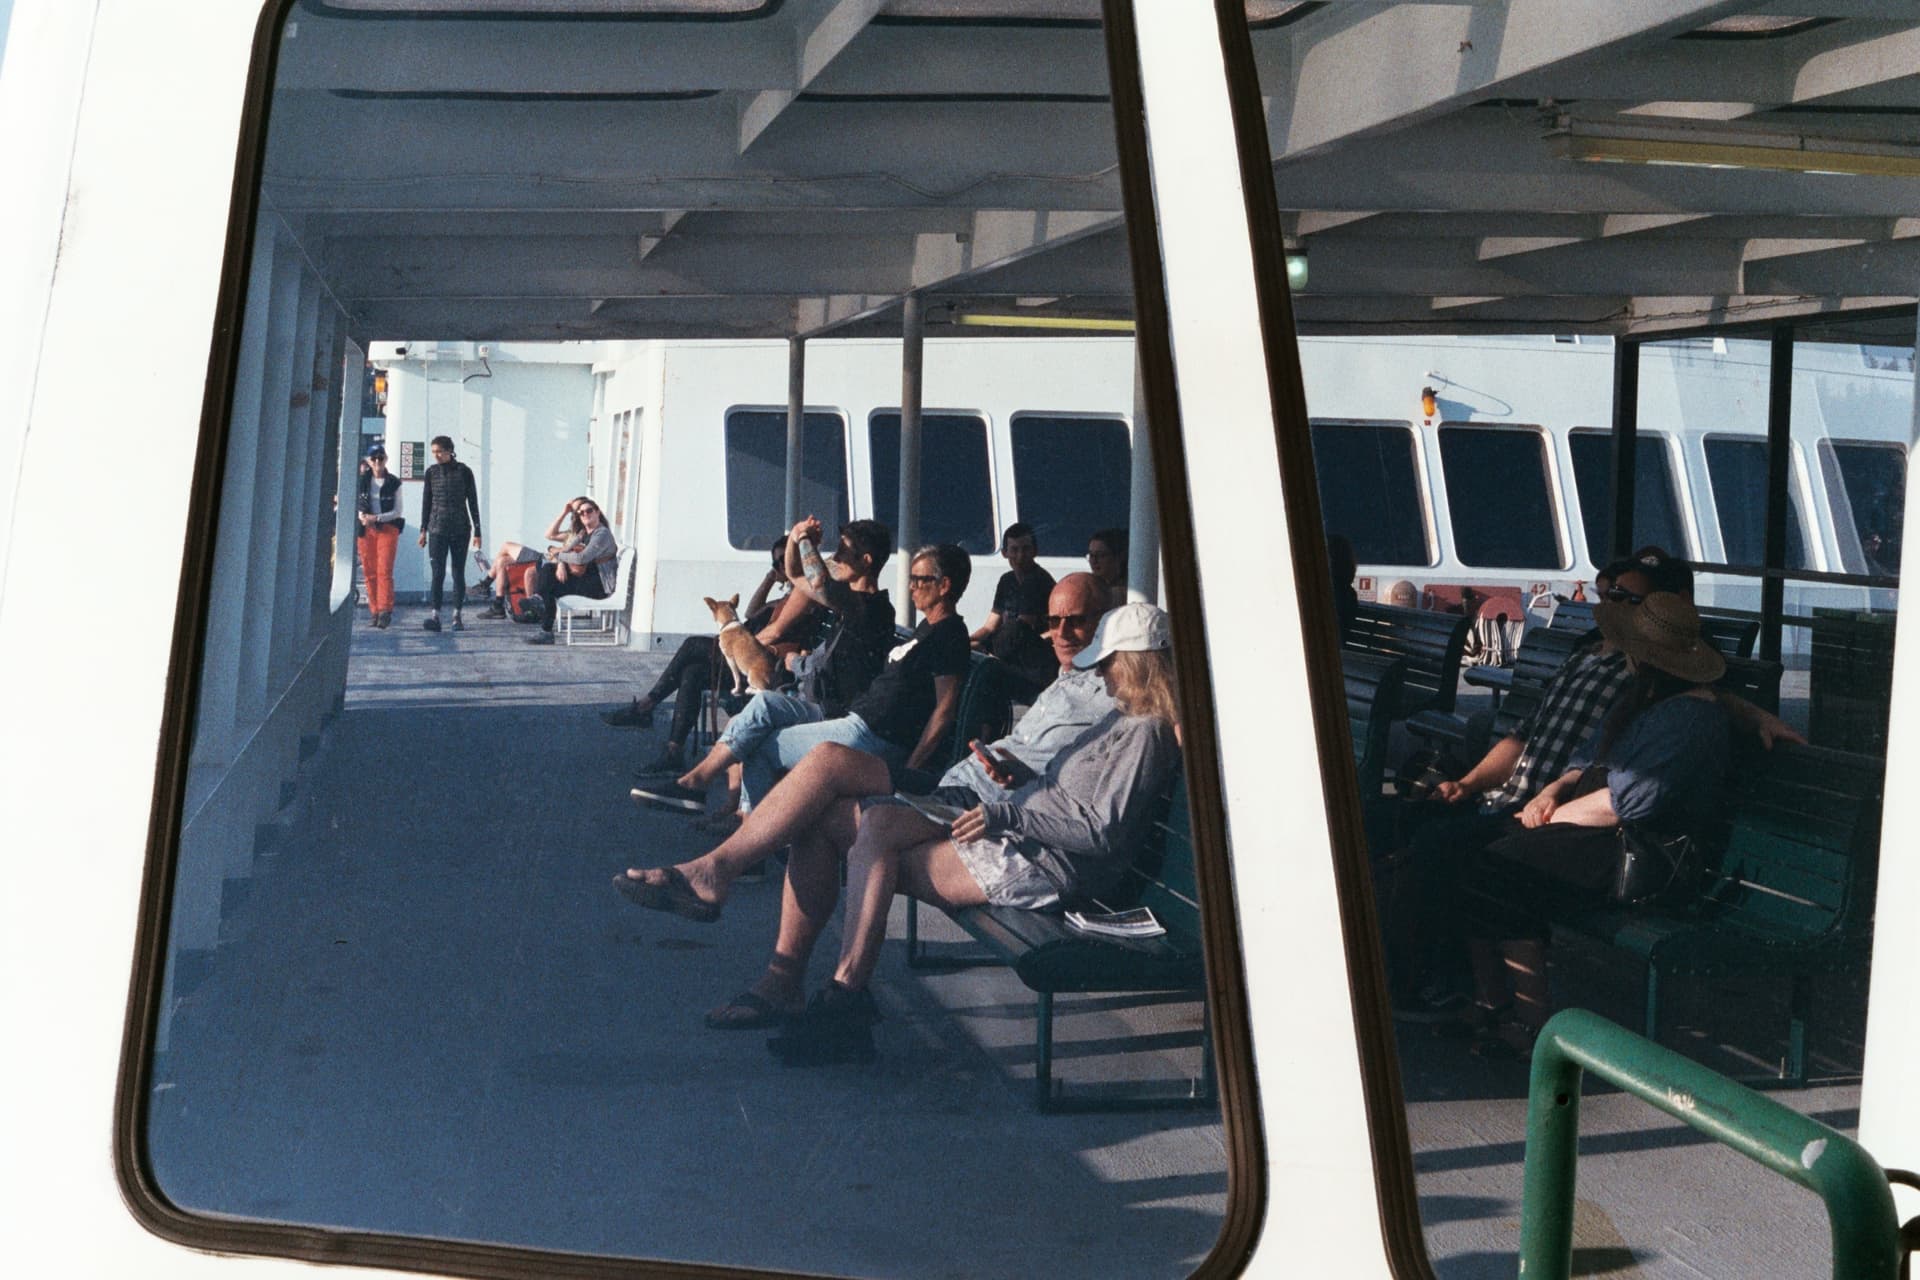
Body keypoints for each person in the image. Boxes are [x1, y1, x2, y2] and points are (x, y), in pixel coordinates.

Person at [1384, 548, 1799, 1014]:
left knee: (1487, 865)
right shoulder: (1638, 688)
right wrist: (1534, 790)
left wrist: (1550, 811)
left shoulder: (1682, 708)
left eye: (1629, 601)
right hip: (1570, 812)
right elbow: (1573, 753)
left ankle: (1517, 1022)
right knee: (1438, 840)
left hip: (1628, 844)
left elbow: (1634, 797)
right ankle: (1484, 1005)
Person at [771, 602, 1182, 1065]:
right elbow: (1069, 796)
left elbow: (1100, 833)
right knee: (876, 825)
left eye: (1108, 664)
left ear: (1137, 665)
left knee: (876, 855)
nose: (1102, 676)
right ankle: (845, 999)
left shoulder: (1145, 733)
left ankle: (845, 999)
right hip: (1019, 836)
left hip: (1044, 864)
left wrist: (1008, 816)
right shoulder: (1122, 718)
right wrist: (1019, 774)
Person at [1456, 592, 1733, 1058]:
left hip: (1643, 852)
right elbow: (1585, 761)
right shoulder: (1646, 696)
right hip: (1602, 833)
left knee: (1505, 864)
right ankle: (1495, 1003)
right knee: (1469, 847)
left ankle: (1534, 1030)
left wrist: (1548, 818)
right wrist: (1548, 795)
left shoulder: (1689, 716)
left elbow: (1629, 803)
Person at [633, 539, 971, 812]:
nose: (910, 587)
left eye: (919, 580)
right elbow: (804, 579)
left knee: (761, 745)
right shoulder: (926, 629)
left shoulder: (938, 632)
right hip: (856, 716)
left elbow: (945, 710)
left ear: (944, 586)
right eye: (910, 578)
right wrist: (796, 542)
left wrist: (910, 772)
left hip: (869, 732)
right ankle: (697, 784)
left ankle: (737, 826)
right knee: (764, 704)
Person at [605, 536, 827, 779]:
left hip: (761, 666)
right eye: (774, 563)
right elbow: (752, 612)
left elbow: (775, 632)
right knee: (693, 672)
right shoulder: (788, 595)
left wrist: (742, 644)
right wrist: (769, 579)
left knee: (693, 645)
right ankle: (673, 752)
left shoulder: (803, 594)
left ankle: (646, 706)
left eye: (780, 562)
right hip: (749, 660)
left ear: (796, 560)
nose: (777, 568)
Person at [969, 522, 1057, 700]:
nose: (1020, 556)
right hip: (1008, 650)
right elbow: (990, 625)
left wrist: (984, 648)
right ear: (1004, 553)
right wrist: (969, 641)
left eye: (1025, 549)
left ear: (1035, 551)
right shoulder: (1006, 580)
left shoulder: (1037, 581)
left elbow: (1022, 628)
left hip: (1033, 658)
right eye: (1014, 550)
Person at [524, 499, 616, 645]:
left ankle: (545, 623)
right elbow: (565, 551)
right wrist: (561, 563)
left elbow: (581, 558)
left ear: (597, 512)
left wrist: (558, 556)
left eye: (589, 510)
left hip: (599, 586)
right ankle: (541, 608)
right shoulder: (583, 533)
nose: (585, 514)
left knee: (549, 582)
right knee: (548, 572)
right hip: (586, 579)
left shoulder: (602, 534)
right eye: (581, 513)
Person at [417, 435, 482, 632]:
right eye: (434, 451)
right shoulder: (431, 472)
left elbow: (473, 502)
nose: (436, 455)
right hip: (437, 528)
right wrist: (423, 530)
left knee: (457, 572)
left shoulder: (464, 471)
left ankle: (457, 615)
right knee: (437, 573)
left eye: (439, 451)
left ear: (449, 451)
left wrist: (478, 530)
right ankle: (435, 615)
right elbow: (426, 503)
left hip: (460, 528)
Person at [483, 497, 588, 618]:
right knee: (502, 561)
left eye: (576, 512)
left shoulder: (582, 534)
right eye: (573, 512)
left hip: (546, 560)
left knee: (506, 546)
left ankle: (486, 584)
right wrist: (564, 512)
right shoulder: (571, 533)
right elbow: (549, 534)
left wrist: (553, 550)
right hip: (547, 558)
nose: (574, 515)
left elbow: (569, 550)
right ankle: (498, 604)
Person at [355, 444, 404, 629]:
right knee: (369, 571)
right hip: (366, 530)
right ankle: (374, 610)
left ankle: (385, 610)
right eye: (373, 458)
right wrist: (363, 517)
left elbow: (397, 511)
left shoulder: (394, 483)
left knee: (384, 570)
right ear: (368, 461)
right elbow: (357, 503)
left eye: (380, 458)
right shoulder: (362, 481)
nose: (377, 461)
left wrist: (377, 518)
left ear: (386, 459)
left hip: (387, 528)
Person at [1087, 527, 1128, 610]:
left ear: (1118, 557)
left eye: (1101, 555)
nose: (1094, 561)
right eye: (1091, 555)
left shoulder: (1126, 591)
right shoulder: (1091, 585)